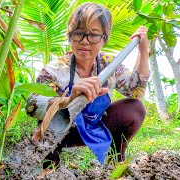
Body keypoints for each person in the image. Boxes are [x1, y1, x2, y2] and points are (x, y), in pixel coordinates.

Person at [25, 2, 150, 170]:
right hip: (63, 132)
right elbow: (32, 106)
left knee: (134, 108)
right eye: (78, 33)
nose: (84, 41)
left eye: (94, 35)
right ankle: (50, 161)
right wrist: (68, 99)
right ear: (70, 36)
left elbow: (135, 91)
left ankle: (116, 158)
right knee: (47, 166)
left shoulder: (110, 64)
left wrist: (143, 51)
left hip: (94, 125)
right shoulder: (55, 69)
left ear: (104, 39)